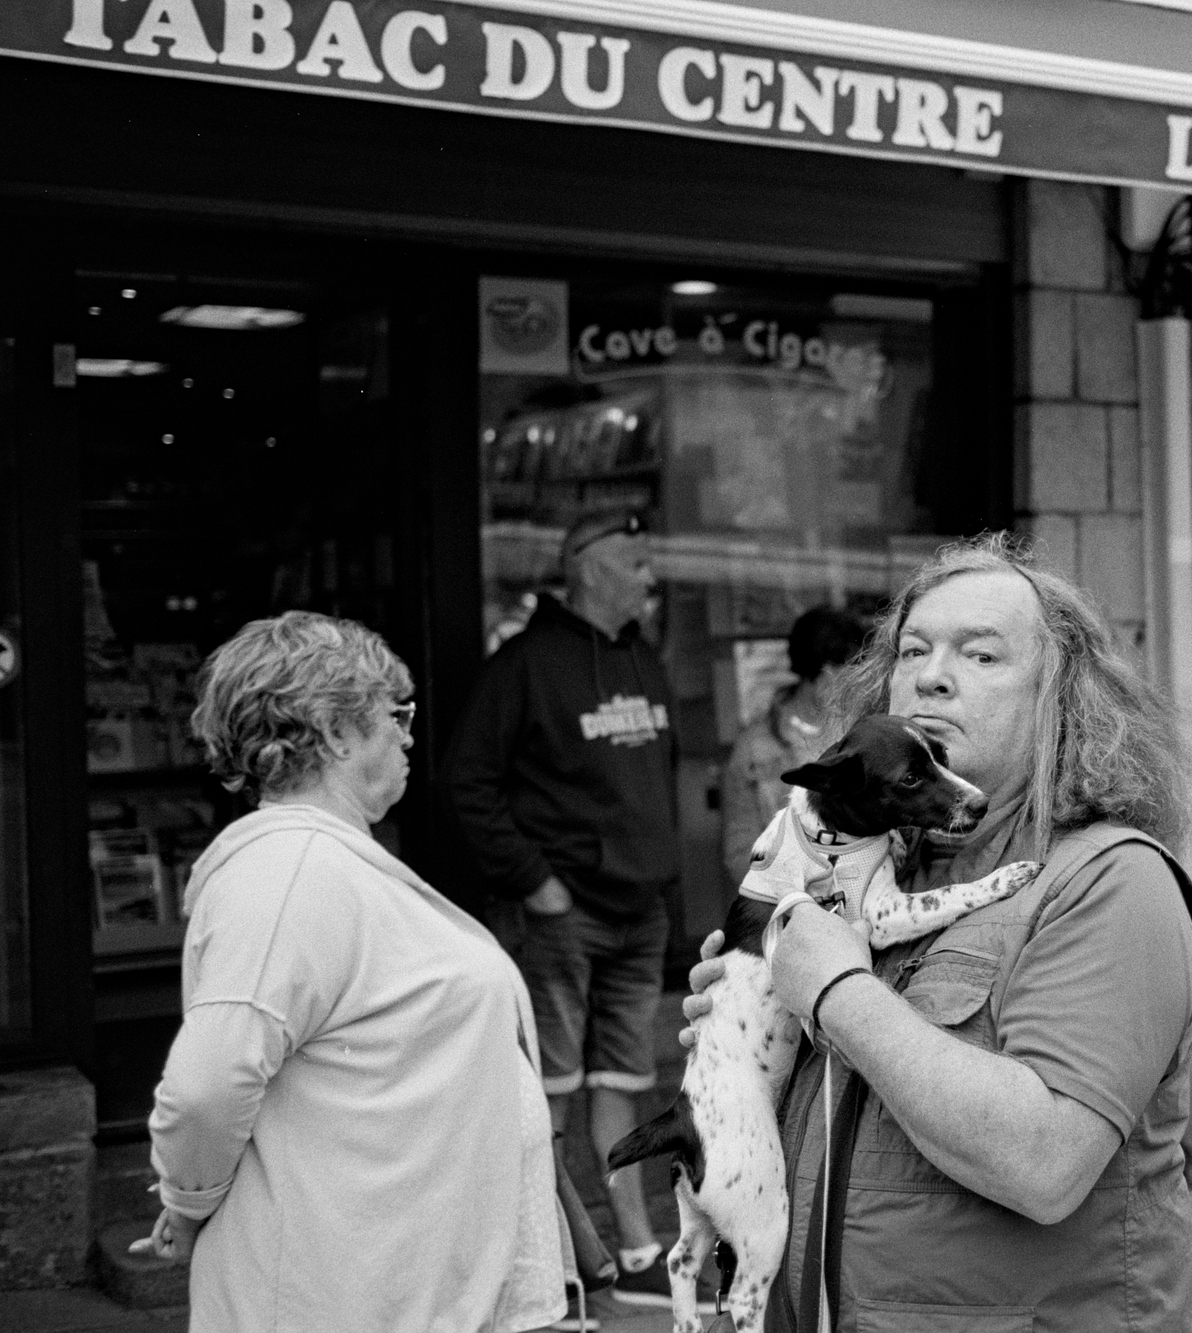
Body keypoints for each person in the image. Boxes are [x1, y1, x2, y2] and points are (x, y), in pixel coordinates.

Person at [683, 534, 1192, 1331]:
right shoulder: (894, 873)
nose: (931, 674)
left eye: (981, 654)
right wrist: (747, 1030)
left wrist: (835, 988)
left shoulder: (1113, 882)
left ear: (1060, 701)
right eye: (913, 650)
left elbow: (1044, 1162)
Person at [139, 612, 565, 1332]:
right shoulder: (287, 874)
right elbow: (207, 1085)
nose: (408, 735)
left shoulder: (323, 863)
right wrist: (187, 1203)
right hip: (338, 1299)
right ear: (336, 731)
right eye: (395, 714)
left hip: (394, 1290)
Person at [446, 508, 682, 1312]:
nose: (651, 576)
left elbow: (658, 782)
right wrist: (533, 881)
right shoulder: (522, 666)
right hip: (559, 914)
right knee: (543, 1091)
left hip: (638, 912)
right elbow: (467, 782)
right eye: (636, 562)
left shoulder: (643, 659)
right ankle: (551, 1268)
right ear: (588, 568)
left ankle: (638, 1252)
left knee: (623, 1081)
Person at [721, 604, 869, 879]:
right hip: (789, 897)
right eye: (851, 671)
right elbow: (741, 854)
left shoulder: (866, 735)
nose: (859, 683)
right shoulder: (754, 747)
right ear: (825, 675)